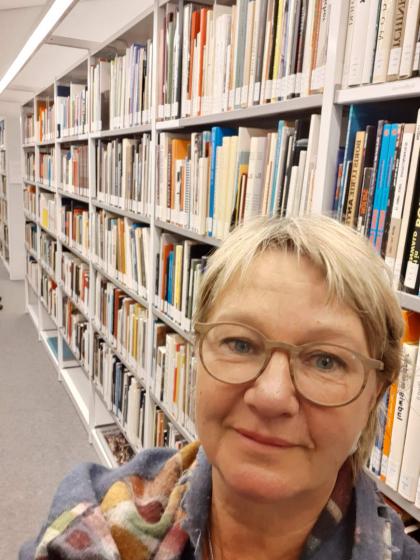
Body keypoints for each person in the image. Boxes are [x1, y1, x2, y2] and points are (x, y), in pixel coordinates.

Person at [20, 215, 420, 560]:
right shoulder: (97, 516)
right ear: (197, 357)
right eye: (240, 344)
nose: (271, 396)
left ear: (375, 396)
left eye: (326, 360)